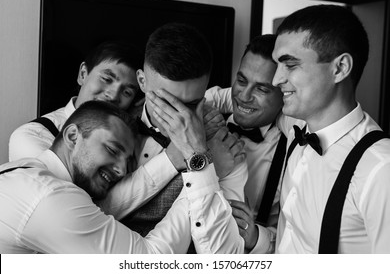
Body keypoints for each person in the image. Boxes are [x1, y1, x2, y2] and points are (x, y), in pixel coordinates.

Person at [0, 100, 243, 253]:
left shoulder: (22, 172)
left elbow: (104, 209)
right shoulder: (49, 198)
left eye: (127, 161)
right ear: (73, 136)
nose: (121, 170)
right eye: (112, 150)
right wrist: (204, 168)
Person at [271, 5, 390, 253]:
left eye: (290, 65)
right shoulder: (296, 128)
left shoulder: (380, 170)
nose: (276, 80)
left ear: (340, 68)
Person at [120, 22, 247, 240]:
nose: (180, 118)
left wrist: (205, 164)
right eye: (167, 102)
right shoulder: (111, 124)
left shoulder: (225, 147)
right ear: (142, 81)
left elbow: (224, 241)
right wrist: (203, 166)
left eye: (191, 104)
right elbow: (97, 211)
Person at [205, 34, 284, 253]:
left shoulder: (294, 151)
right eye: (241, 81)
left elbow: (301, 236)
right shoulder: (208, 117)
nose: (244, 95)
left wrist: (257, 238)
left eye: (262, 89)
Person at [9, 40, 143, 161]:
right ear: (83, 74)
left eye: (127, 92)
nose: (113, 96)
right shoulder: (34, 136)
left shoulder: (132, 141)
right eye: (107, 79)